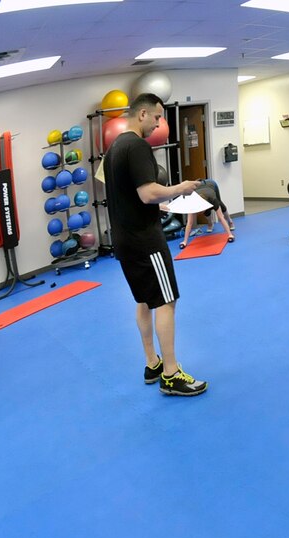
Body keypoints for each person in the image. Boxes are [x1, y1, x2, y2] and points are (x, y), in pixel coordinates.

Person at [104, 92, 206, 396]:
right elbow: (148, 193)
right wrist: (181, 188)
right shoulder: (136, 145)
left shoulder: (114, 148)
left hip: (123, 239)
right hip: (145, 241)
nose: (159, 124)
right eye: (158, 117)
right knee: (166, 301)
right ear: (143, 115)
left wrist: (155, 205)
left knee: (144, 300)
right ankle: (172, 374)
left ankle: (152, 363)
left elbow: (126, 194)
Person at [179, 180, 234, 249]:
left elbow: (221, 218)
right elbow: (189, 223)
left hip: (211, 184)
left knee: (220, 204)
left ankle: (230, 221)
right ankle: (210, 224)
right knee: (206, 212)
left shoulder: (212, 199)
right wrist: (185, 241)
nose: (199, 212)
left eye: (201, 210)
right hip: (200, 187)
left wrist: (230, 235)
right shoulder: (191, 203)